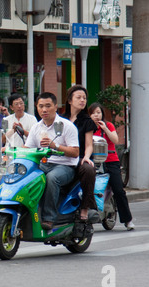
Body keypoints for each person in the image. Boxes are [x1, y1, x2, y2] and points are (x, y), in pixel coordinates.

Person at [25, 92, 79, 230]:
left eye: (48, 106)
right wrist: (8, 150)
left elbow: (75, 152)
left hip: (65, 166)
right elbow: (27, 148)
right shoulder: (36, 127)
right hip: (43, 164)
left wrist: (56, 146)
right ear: (36, 107)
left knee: (51, 178)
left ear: (56, 107)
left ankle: (49, 218)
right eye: (41, 106)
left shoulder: (66, 126)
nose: (44, 110)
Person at [89, 102, 135, 231]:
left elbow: (115, 140)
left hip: (111, 161)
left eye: (98, 112)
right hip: (94, 162)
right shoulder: (88, 127)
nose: (96, 115)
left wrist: (105, 129)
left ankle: (127, 220)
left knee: (119, 190)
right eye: (93, 113)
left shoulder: (108, 125)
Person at [61, 85, 98, 222]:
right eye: (78, 97)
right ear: (70, 100)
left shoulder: (87, 121)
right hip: (63, 157)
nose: (82, 100)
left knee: (88, 169)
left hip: (80, 157)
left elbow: (89, 145)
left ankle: (85, 207)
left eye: (84, 98)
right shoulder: (61, 119)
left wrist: (86, 158)